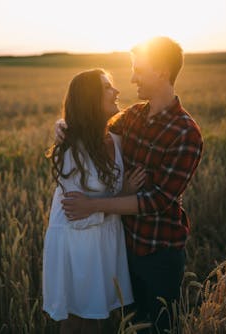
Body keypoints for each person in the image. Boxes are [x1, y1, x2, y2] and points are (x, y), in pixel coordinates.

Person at [58, 37, 203, 332]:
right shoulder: (133, 116)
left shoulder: (186, 133)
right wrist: (62, 127)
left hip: (158, 252)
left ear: (161, 71)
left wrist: (91, 206)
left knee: (158, 327)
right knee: (128, 325)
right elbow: (89, 125)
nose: (133, 77)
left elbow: (155, 200)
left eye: (139, 69)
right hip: (122, 248)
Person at [43, 68, 145, 334]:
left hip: (105, 239)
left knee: (97, 319)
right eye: (107, 88)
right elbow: (76, 215)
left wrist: (115, 195)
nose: (117, 91)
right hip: (79, 245)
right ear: (90, 99)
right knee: (79, 319)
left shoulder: (115, 139)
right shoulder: (71, 150)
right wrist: (123, 195)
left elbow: (95, 201)